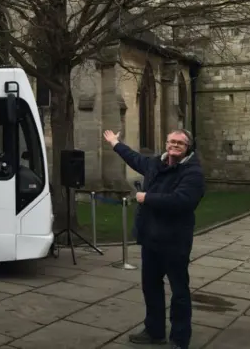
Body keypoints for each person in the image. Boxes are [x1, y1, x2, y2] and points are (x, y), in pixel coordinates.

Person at [103, 128, 205, 349]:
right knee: (150, 286)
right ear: (166, 143)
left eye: (180, 143)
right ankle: (154, 331)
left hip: (174, 240)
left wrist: (146, 197)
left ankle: (179, 339)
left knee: (179, 290)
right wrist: (114, 143)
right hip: (151, 238)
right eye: (171, 141)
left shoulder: (192, 172)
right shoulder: (156, 163)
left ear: (188, 147)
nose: (174, 145)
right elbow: (134, 158)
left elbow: (182, 201)